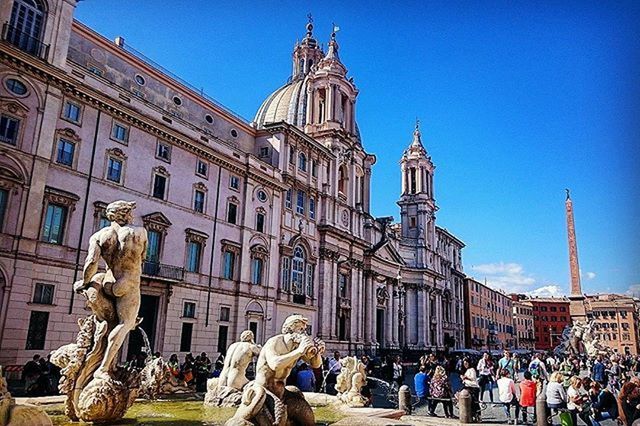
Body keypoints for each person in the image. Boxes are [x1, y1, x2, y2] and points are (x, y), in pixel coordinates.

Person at [73, 200, 147, 380]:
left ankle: (96, 355)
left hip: (108, 280)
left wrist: (84, 282)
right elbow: (143, 258)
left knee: (109, 321)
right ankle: (103, 368)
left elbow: (91, 262)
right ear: (127, 214)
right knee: (125, 324)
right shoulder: (139, 232)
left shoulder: (100, 235)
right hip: (128, 283)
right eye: (130, 212)